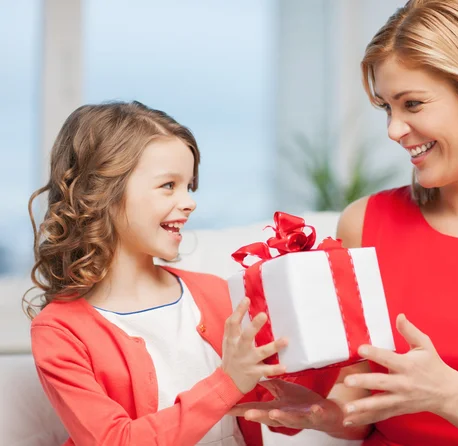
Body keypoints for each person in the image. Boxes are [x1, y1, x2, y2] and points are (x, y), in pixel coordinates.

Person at [229, 0, 458, 444]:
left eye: (413, 104)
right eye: (387, 108)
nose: (394, 129)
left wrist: (449, 396)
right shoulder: (364, 223)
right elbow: (365, 406)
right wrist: (325, 412)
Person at [26, 101, 337, 446]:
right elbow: (116, 441)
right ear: (100, 193)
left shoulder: (216, 294)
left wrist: (324, 344)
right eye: (168, 186)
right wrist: (228, 382)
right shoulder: (60, 332)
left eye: (189, 186)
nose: (189, 202)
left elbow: (278, 416)